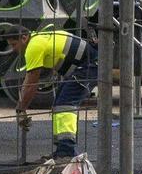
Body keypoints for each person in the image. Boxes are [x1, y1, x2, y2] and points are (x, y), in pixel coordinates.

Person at [10, 25, 95, 161]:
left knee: (65, 105)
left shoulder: (33, 47)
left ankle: (66, 152)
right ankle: (62, 151)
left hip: (88, 66)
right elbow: (28, 78)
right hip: (86, 64)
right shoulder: (38, 38)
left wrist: (21, 109)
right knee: (58, 105)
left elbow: (32, 83)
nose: (13, 49)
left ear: (24, 38)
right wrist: (20, 107)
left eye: (14, 44)